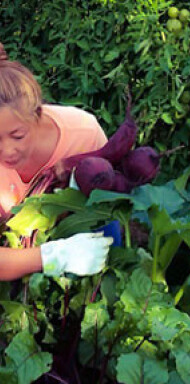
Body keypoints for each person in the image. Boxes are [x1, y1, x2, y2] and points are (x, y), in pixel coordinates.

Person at [0, 43, 112, 280]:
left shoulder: (83, 133)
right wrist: (52, 257)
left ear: (37, 115)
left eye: (18, 135)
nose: (7, 151)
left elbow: (111, 210)